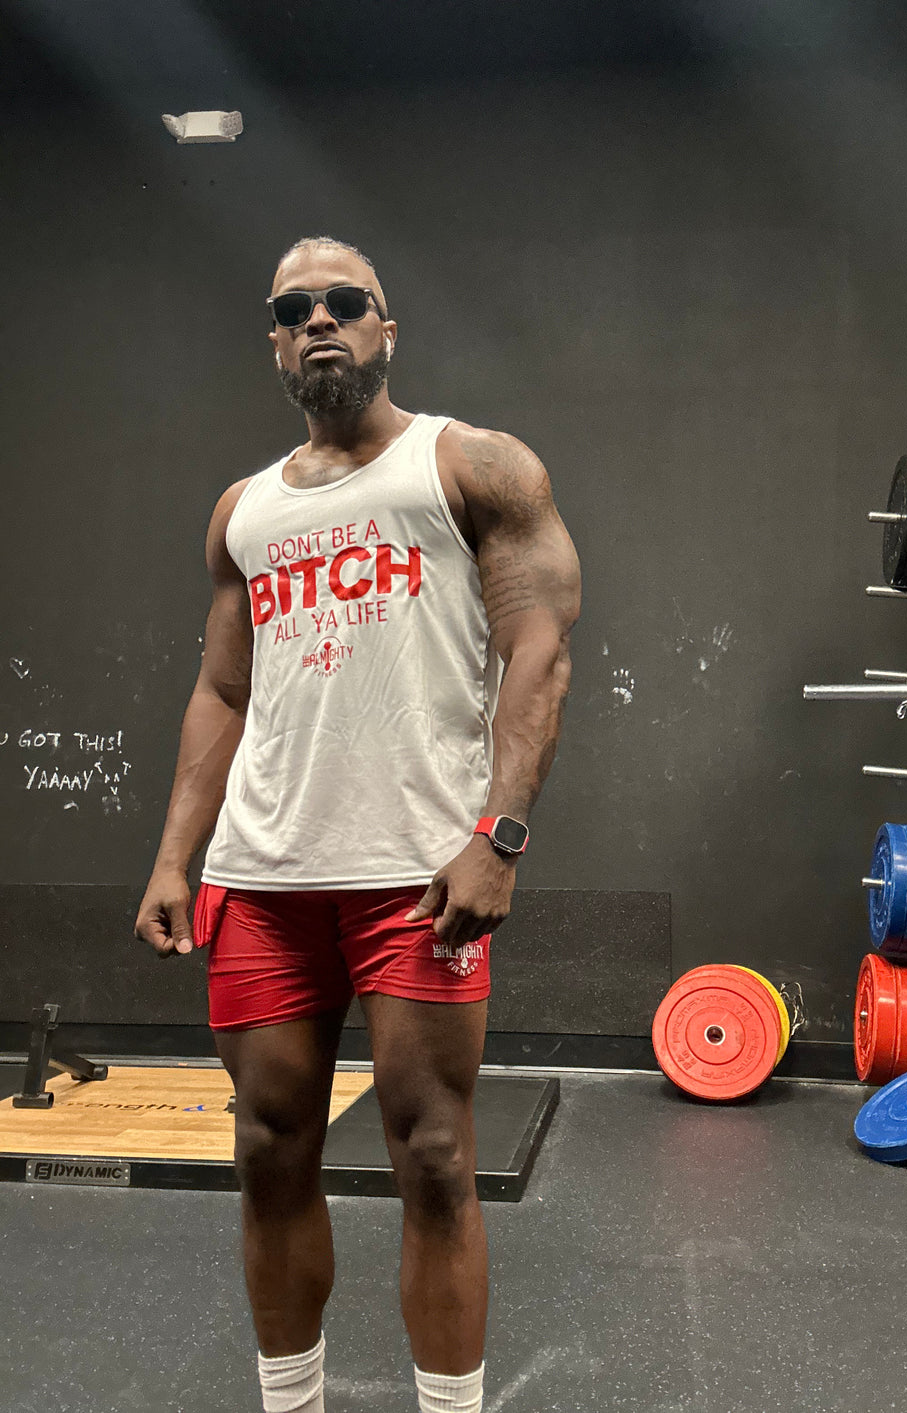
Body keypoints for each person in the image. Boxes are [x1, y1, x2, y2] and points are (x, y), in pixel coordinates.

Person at [134, 234, 581, 1413]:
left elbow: (537, 648)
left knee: (433, 1155)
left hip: (416, 875)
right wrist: (176, 855)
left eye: (346, 302)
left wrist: (502, 833)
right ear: (276, 342)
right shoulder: (246, 509)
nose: (320, 319)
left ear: (388, 328)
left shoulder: (472, 466)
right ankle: (293, 1403)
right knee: (267, 1144)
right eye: (295, 308)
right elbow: (223, 693)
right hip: (262, 875)